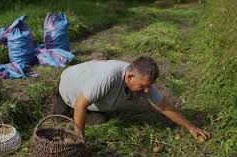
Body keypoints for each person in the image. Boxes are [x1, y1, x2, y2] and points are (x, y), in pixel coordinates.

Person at [54, 56, 211, 142]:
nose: (147, 90)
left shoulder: (140, 77)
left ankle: (80, 116)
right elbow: (81, 103)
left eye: (149, 86)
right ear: (129, 77)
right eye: (143, 86)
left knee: (100, 119)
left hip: (90, 95)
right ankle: (68, 112)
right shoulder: (108, 77)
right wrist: (80, 140)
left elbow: (163, 106)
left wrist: (191, 127)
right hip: (70, 88)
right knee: (59, 119)